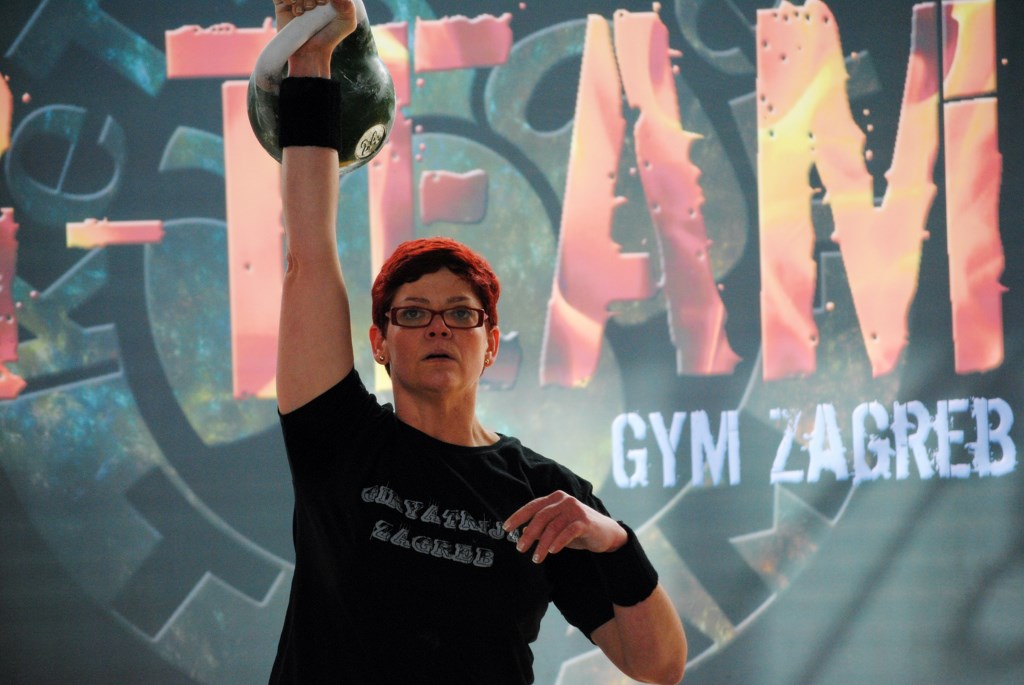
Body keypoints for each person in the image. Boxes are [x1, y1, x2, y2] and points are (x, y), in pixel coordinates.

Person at [267, 0, 688, 682]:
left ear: (490, 345)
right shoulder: (338, 439)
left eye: (461, 314)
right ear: (379, 342)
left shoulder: (545, 495)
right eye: (413, 313)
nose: (438, 325)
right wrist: (312, 56)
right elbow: (308, 254)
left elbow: (660, 665)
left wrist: (613, 540)